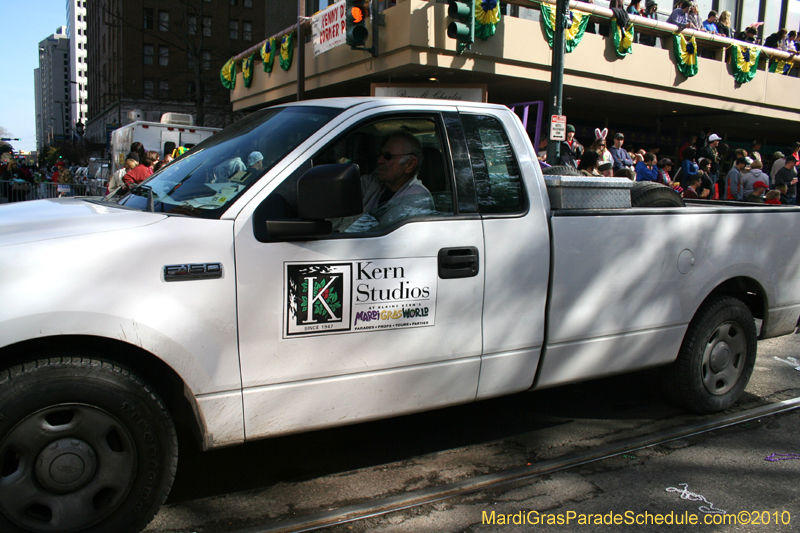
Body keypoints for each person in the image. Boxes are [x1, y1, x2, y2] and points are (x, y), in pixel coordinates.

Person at [338, 132, 434, 233]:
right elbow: (346, 190)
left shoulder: (416, 199)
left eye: (387, 156)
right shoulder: (376, 180)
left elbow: (381, 237)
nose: (380, 161)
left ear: (410, 164)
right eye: (380, 155)